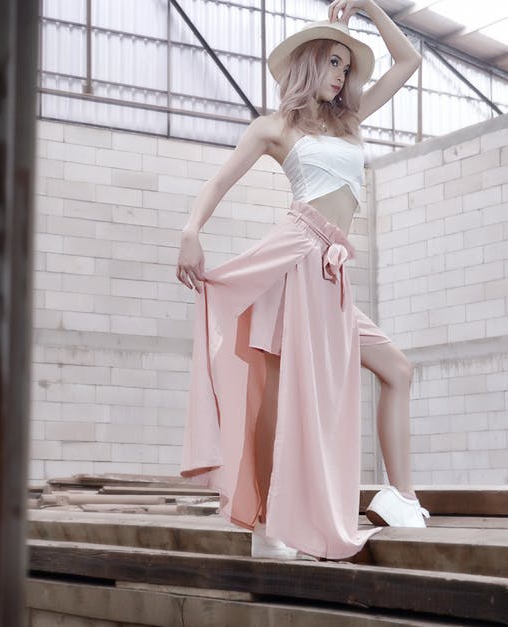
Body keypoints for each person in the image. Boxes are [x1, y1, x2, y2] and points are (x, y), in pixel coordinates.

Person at [175, 0, 428, 561]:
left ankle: (400, 496)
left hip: (333, 271)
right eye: (334, 63)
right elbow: (218, 183)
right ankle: (266, 525)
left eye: (347, 68)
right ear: (310, 64)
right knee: (271, 395)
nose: (342, 76)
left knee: (398, 369)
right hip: (295, 257)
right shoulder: (274, 128)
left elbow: (408, 62)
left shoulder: (351, 122)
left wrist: (367, 7)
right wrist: (192, 230)